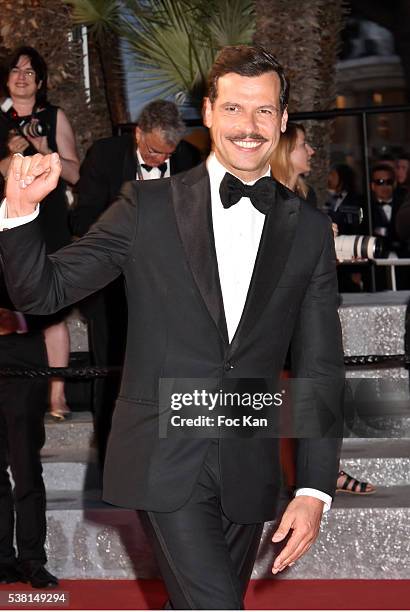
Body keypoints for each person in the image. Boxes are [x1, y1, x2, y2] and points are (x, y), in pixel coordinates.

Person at [0, 46, 344, 609]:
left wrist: (313, 486)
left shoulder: (308, 230)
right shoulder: (147, 206)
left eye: (264, 111)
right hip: (164, 454)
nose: (249, 126)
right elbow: (44, 291)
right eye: (234, 108)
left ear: (283, 120)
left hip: (248, 461)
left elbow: (320, 366)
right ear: (207, 113)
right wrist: (19, 213)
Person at [71, 99, 201, 465]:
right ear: (138, 133)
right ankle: (113, 460)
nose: (160, 160)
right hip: (112, 291)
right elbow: (82, 221)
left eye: (167, 154)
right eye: (153, 151)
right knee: (112, 373)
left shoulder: (191, 158)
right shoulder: (105, 156)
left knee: (173, 373)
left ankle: (171, 456)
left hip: (171, 292)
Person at [270, 123, 375, 496]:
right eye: (303, 145)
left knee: (318, 389)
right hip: (277, 315)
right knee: (289, 394)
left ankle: (323, 468)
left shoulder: (306, 194)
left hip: (309, 310)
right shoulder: (265, 197)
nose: (312, 151)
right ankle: (300, 476)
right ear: (284, 151)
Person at [0, 46, 80, 420]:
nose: (21, 77)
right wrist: (10, 159)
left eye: (30, 72)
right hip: (7, 223)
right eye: (15, 70)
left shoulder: (55, 117)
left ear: (41, 81)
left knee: (54, 314)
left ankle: (57, 396)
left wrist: (42, 149)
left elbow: (76, 175)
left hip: (49, 225)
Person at [0, 272, 59, 588]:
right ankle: (2, 560)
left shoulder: (22, 255)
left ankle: (32, 561)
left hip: (23, 357)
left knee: (26, 469)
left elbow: (52, 319)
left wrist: (57, 390)